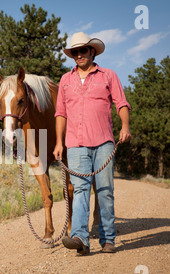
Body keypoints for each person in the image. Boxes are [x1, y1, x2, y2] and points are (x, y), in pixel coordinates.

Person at [53, 32, 132, 255]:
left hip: (104, 142)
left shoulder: (108, 76)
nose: (79, 55)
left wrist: (125, 126)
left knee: (105, 191)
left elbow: (121, 103)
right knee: (80, 190)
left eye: (83, 50)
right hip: (75, 145)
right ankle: (80, 238)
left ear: (92, 51)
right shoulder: (65, 80)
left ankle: (108, 239)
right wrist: (59, 142)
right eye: (75, 52)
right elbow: (60, 113)